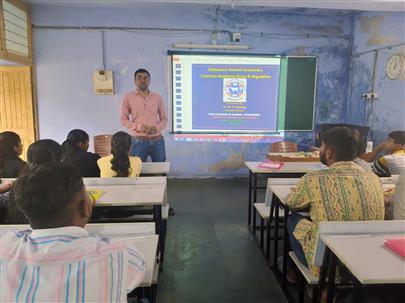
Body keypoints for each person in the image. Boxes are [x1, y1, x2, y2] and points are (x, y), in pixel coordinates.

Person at [0, 163, 146, 301]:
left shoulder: (6, 247)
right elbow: (138, 272)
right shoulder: (117, 252)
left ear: (26, 212)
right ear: (85, 207)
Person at [285, 127, 384, 277]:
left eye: (322, 146)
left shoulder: (313, 179)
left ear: (329, 152)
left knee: (293, 218)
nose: (321, 149)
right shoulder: (373, 178)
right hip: (366, 260)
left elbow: (291, 203)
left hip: (327, 263)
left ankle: (294, 272)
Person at [120, 68, 168, 162]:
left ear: (150, 80)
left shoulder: (157, 97)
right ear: (135, 81)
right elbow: (123, 119)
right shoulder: (128, 97)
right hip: (138, 141)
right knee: (138, 171)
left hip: (157, 140)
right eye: (139, 78)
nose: (142, 80)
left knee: (160, 170)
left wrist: (156, 128)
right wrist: (139, 127)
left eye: (146, 78)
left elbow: (164, 118)